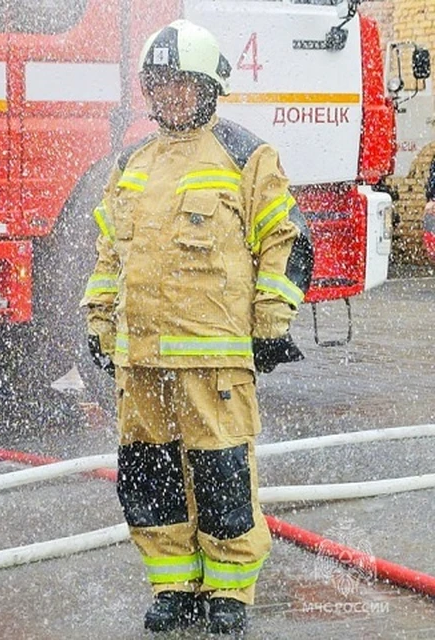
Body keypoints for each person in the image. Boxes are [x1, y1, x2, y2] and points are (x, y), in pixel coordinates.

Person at [81, 20, 313, 634]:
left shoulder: (244, 155)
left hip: (215, 364)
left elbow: (287, 241)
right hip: (142, 364)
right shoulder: (131, 163)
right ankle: (174, 586)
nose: (169, 96)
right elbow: (110, 254)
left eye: (182, 84)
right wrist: (99, 323)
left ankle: (230, 593)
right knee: (150, 477)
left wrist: (270, 322)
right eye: (158, 85)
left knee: (221, 476)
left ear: (210, 88)